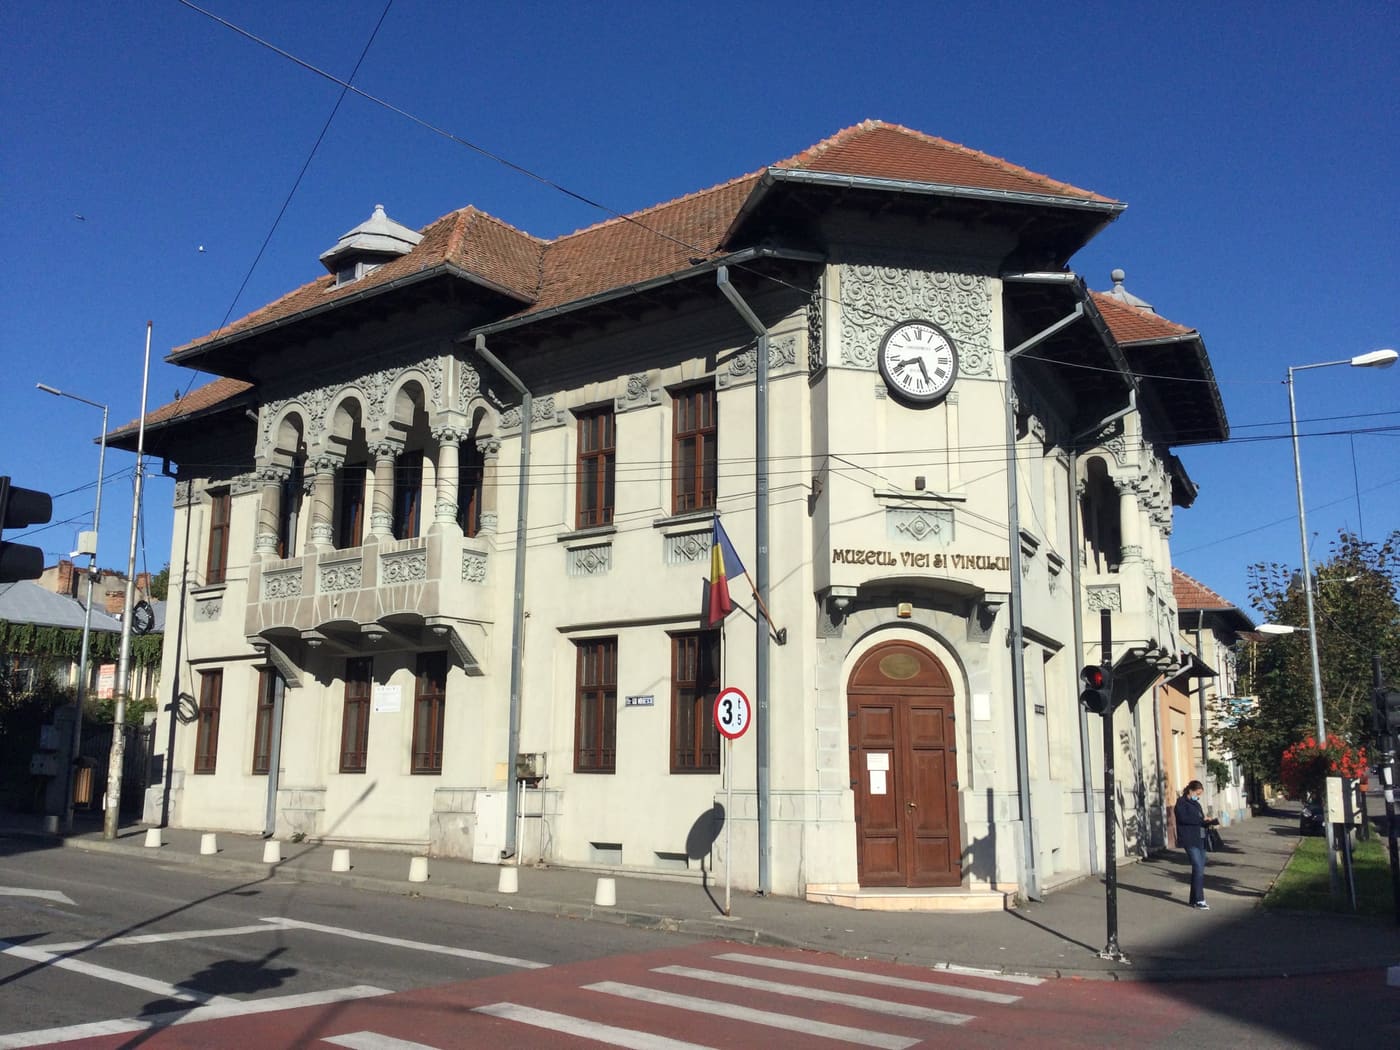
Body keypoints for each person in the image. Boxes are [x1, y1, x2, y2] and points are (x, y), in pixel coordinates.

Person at [1174, 780, 1220, 909]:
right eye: (1197, 793)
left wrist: (1208, 821)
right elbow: (1184, 819)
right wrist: (1201, 820)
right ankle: (1200, 900)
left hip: (1201, 839)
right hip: (1190, 840)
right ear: (1191, 791)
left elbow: (1199, 819)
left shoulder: (1196, 804)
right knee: (1198, 868)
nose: (1198, 796)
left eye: (1199, 794)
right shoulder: (1181, 803)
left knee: (1199, 870)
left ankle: (1194, 899)